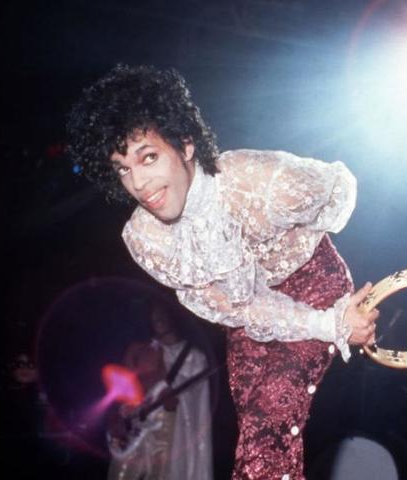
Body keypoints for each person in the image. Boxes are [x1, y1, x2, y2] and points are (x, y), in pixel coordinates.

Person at [67, 64, 379, 480]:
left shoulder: (263, 183)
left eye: (149, 157)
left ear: (186, 144)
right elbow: (245, 307)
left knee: (267, 428)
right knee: (252, 429)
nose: (139, 183)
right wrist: (323, 325)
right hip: (251, 314)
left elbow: (337, 192)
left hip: (312, 282)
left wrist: (337, 317)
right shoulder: (147, 240)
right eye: (124, 168)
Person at [105, 302, 213, 480]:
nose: (159, 319)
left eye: (163, 314)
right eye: (155, 316)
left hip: (170, 434)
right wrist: (118, 418)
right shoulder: (142, 350)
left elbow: (196, 404)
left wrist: (173, 400)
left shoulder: (195, 357)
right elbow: (124, 391)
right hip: (137, 433)